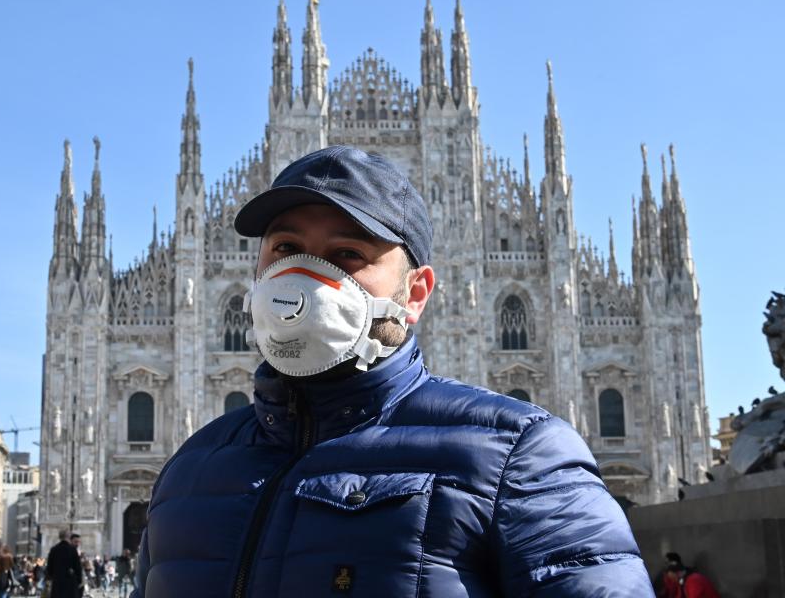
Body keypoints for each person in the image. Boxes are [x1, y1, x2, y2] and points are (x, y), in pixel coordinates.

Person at [131, 146, 655, 597]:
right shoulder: (188, 472)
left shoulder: (520, 457)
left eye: (347, 254)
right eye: (286, 249)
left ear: (416, 293)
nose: (307, 278)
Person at [45, 530, 81, 598]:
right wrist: (78, 580)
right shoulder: (72, 549)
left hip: (57, 582)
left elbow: (49, 568)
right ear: (68, 537)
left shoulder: (54, 549)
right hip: (70, 582)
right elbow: (77, 567)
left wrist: (51, 577)